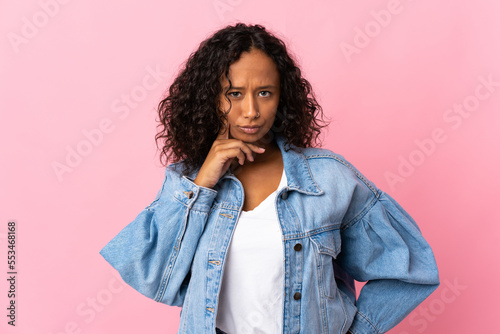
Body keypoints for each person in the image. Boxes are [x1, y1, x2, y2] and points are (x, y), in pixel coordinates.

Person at [99, 23, 439, 334]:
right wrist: (202, 184)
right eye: (234, 94)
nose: (250, 111)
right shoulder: (188, 183)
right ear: (210, 99)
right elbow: (151, 274)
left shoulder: (329, 180)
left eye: (264, 93)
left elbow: (410, 271)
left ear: (282, 97)